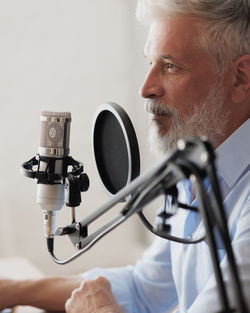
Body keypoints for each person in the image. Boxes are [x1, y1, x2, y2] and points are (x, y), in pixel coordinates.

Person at [1, 0, 250, 312]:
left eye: (171, 66)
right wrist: (14, 290)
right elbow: (143, 289)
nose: (146, 88)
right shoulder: (194, 170)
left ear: (240, 77)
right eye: (150, 64)